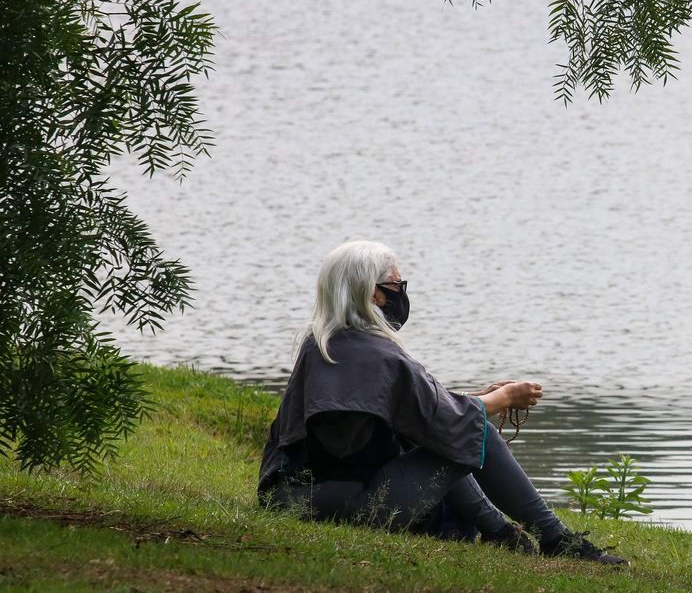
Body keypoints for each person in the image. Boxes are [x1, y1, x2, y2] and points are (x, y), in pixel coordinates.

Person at [257, 240, 625, 565]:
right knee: (475, 433)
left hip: (290, 498)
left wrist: (478, 398)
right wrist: (504, 398)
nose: (401, 291)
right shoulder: (375, 354)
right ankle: (553, 538)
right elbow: (443, 419)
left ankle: (501, 533)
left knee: (454, 430)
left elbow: (417, 412)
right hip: (342, 505)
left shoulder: (324, 342)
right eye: (396, 284)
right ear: (374, 294)